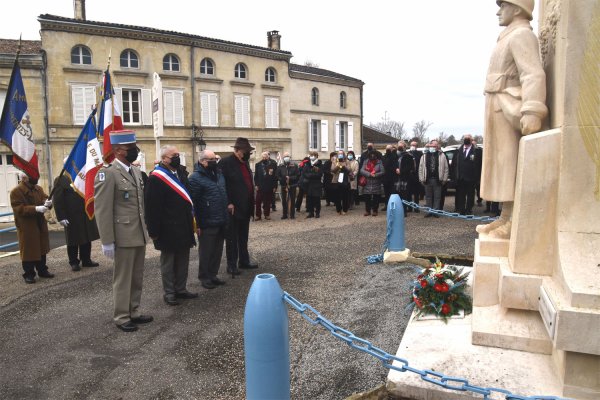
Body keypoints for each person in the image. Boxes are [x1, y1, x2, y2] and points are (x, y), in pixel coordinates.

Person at [477, 0, 547, 238]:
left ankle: (513, 220)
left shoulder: (521, 35)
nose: (498, 11)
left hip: (509, 105)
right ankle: (506, 216)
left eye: (503, 5)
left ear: (517, 8)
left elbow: (533, 73)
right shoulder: (507, 36)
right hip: (497, 105)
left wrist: (532, 110)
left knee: (510, 163)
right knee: (502, 165)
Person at [94, 130, 152, 332]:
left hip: (138, 233)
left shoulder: (134, 171)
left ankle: (134, 311)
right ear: (118, 150)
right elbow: (102, 209)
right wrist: (107, 240)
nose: (134, 151)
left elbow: (139, 205)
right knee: (123, 278)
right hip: (122, 235)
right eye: (130, 148)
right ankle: (121, 316)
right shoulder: (107, 173)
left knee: (137, 276)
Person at [145, 145, 197, 305]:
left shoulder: (181, 173)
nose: (176, 157)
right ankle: (169, 292)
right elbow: (151, 207)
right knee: (168, 262)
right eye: (173, 155)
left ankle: (181, 289)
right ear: (164, 159)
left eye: (177, 154)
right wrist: (153, 231)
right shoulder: (156, 177)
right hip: (167, 227)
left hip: (184, 224)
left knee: (183, 259)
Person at [189, 150, 229, 288]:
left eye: (214, 159)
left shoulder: (218, 174)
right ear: (202, 161)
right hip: (206, 221)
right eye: (210, 159)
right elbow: (193, 202)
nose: (214, 161)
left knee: (217, 250)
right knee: (206, 251)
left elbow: (223, 193)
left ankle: (213, 274)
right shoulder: (195, 178)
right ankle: (204, 277)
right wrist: (197, 224)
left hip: (221, 218)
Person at [220, 137, 258, 273]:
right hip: (233, 207)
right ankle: (231, 265)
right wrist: (228, 202)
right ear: (236, 150)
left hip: (246, 206)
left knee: (243, 236)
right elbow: (221, 185)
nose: (248, 153)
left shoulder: (245, 163)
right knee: (232, 237)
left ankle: (244, 261)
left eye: (249, 151)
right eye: (245, 151)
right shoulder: (226, 163)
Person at [10, 173, 54, 284]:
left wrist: (47, 203)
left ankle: (42, 270)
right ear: (24, 178)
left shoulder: (38, 188)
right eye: (32, 176)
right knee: (29, 250)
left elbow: (44, 198)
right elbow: (19, 209)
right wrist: (36, 209)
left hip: (39, 223)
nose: (36, 178)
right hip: (26, 225)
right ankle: (29, 274)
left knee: (41, 248)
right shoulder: (16, 191)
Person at [53, 172, 100, 271]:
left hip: (85, 213)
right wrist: (61, 217)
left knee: (86, 237)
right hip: (71, 215)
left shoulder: (82, 177)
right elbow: (57, 199)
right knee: (73, 239)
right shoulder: (61, 179)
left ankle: (86, 259)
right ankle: (74, 262)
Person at [419, 140, 449, 218]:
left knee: (437, 197)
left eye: (435, 146)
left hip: (438, 180)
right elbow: (421, 168)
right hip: (427, 179)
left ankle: (435, 212)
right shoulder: (424, 156)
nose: (433, 147)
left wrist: (444, 179)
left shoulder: (442, 155)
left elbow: (446, 168)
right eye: (432, 146)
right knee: (428, 196)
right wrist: (421, 178)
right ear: (429, 146)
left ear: (437, 147)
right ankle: (429, 211)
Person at [452, 134, 481, 215]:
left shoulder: (477, 151)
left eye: (468, 138)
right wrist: (454, 176)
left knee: (470, 195)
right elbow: (454, 164)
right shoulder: (458, 150)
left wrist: (478, 178)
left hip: (471, 178)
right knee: (461, 195)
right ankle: (462, 209)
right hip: (460, 177)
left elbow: (479, 165)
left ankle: (469, 209)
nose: (467, 139)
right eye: (465, 138)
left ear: (471, 140)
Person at [360, 150, 385, 216]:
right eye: (371, 155)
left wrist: (376, 175)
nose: (372, 156)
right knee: (367, 198)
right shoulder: (366, 161)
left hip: (376, 182)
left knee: (376, 198)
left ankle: (375, 211)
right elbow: (362, 170)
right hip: (367, 182)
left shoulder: (380, 162)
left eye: (374, 155)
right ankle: (367, 211)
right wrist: (369, 174)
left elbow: (383, 171)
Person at [276, 152, 300, 219]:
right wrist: (283, 179)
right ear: (283, 158)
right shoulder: (280, 165)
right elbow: (277, 175)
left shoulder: (294, 165)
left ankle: (292, 214)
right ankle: (285, 214)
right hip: (284, 186)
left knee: (292, 200)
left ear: (290, 157)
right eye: (285, 156)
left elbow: (297, 175)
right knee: (284, 200)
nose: (286, 157)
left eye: (287, 156)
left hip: (292, 185)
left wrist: (290, 178)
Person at [254, 151, 277, 221]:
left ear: (268, 157)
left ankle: (267, 215)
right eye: (263, 157)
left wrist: (274, 186)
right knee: (258, 201)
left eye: (265, 157)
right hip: (260, 186)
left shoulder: (272, 164)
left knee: (267, 202)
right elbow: (256, 176)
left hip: (269, 186)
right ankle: (258, 215)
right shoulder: (258, 164)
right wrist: (256, 185)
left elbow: (275, 177)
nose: (264, 158)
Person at [395, 141, 415, 215]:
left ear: (404, 147)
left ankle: (404, 211)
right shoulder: (396, 155)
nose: (399, 147)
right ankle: (398, 210)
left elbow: (410, 167)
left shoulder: (408, 155)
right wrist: (396, 169)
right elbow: (393, 164)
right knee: (398, 195)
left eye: (401, 146)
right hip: (397, 178)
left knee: (404, 195)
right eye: (399, 145)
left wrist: (401, 171)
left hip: (405, 177)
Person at [303, 151, 323, 218]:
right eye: (311, 155)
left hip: (317, 184)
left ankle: (317, 213)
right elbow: (304, 173)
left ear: (316, 156)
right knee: (309, 199)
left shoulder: (319, 164)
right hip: (309, 184)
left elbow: (319, 174)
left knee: (317, 199)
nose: (312, 156)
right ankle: (311, 213)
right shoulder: (307, 164)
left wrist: (311, 175)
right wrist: (311, 175)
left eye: (313, 155)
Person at [330, 150, 351, 215]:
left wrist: (343, 166)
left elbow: (349, 170)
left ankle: (345, 209)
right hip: (336, 180)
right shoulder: (334, 161)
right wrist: (338, 166)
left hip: (345, 180)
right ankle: (338, 209)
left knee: (345, 196)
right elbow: (332, 170)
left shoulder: (347, 161)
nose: (340, 155)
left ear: (344, 154)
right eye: (339, 154)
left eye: (341, 153)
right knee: (337, 196)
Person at [407, 140, 423, 212]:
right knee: (409, 192)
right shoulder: (407, 153)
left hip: (416, 175)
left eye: (414, 145)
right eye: (412, 145)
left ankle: (416, 207)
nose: (413, 146)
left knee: (416, 193)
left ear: (417, 146)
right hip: (409, 175)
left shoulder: (420, 154)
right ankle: (409, 207)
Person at [382, 144, 398, 210]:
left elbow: (395, 166)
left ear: (392, 149)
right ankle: (386, 205)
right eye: (387, 149)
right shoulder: (384, 157)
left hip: (392, 178)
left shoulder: (394, 156)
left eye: (389, 149)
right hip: (385, 178)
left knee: (392, 193)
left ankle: (392, 206)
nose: (388, 150)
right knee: (386, 193)